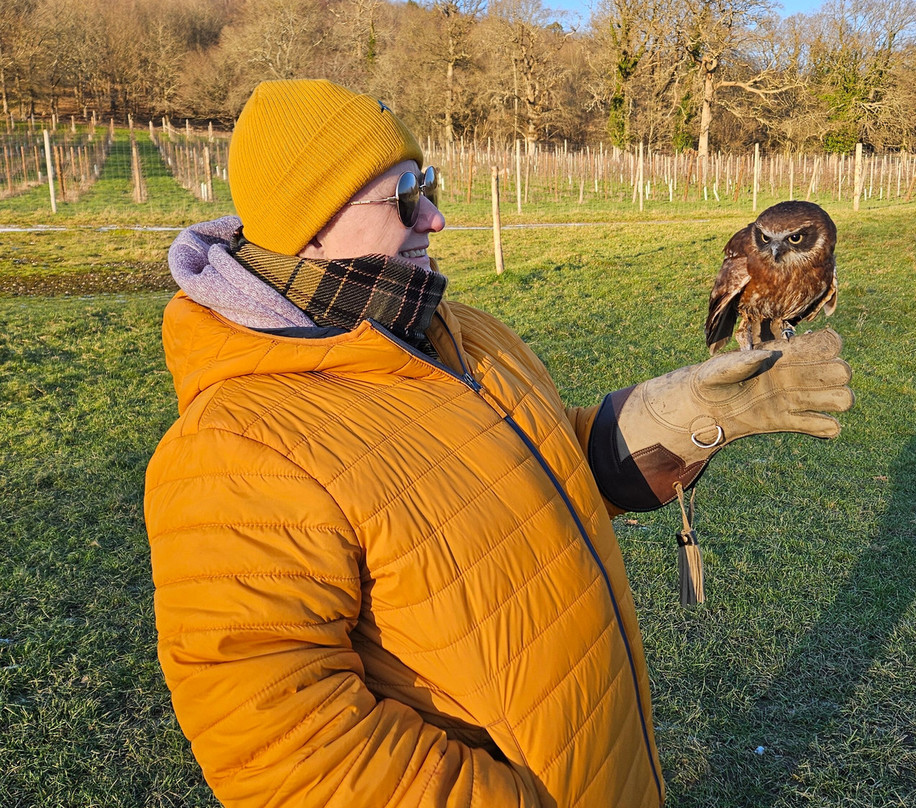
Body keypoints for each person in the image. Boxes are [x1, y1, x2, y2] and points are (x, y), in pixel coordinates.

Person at [144, 79, 853, 808]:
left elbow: (539, 473)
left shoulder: (463, 333)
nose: (436, 217)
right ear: (310, 225)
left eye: (431, 186)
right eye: (405, 196)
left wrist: (678, 418)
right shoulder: (234, 449)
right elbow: (283, 750)